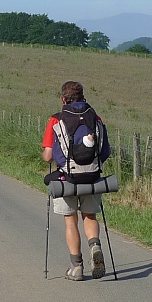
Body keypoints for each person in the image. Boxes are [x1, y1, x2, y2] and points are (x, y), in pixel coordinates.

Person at [42, 81, 111, 281]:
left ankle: (77, 267)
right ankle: (95, 245)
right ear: (83, 97)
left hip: (67, 179)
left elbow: (47, 156)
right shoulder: (95, 118)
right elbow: (105, 151)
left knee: (70, 220)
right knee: (89, 216)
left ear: (63, 99)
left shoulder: (56, 120)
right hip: (92, 177)